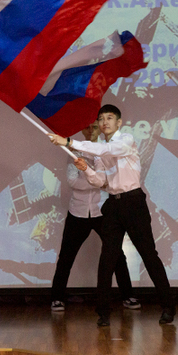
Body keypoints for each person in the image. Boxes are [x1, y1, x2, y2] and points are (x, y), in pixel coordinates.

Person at [49, 104, 175, 326]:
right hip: (113, 206)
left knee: (149, 255)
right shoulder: (100, 150)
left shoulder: (125, 140)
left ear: (118, 122)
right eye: (101, 119)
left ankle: (168, 306)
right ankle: (103, 313)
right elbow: (101, 182)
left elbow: (107, 150)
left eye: (109, 118)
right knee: (107, 259)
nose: (104, 122)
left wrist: (69, 142)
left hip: (134, 203)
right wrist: (86, 169)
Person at [51, 121, 140, 312]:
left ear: (100, 129)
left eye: (94, 127)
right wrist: (95, 180)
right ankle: (57, 298)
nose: (90, 130)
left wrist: (92, 177)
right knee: (66, 255)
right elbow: (72, 182)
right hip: (78, 211)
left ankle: (128, 295)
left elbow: (107, 181)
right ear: (82, 130)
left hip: (102, 210)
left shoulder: (106, 151)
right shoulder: (72, 152)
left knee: (117, 254)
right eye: (86, 127)